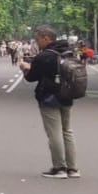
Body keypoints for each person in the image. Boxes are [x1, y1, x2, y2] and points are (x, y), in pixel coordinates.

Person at [20, 25, 78, 179]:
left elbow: (31, 77)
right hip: (68, 96)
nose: (37, 42)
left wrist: (25, 67)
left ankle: (59, 168)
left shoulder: (44, 56)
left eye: (38, 39)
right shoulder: (68, 53)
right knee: (67, 131)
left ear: (46, 38)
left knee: (54, 133)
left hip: (49, 97)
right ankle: (72, 169)